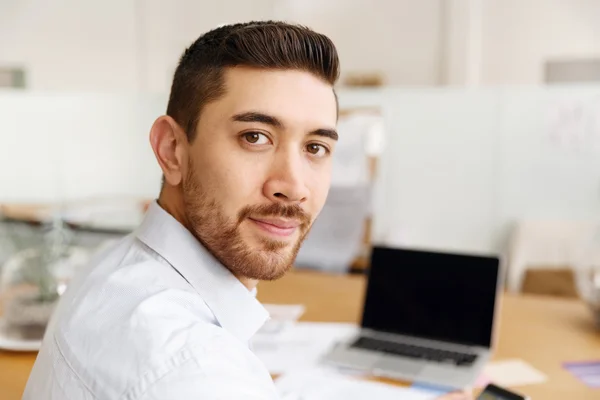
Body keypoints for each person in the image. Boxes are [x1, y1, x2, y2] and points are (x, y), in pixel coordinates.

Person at [23, 21, 471, 399]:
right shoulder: (193, 370)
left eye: (315, 147)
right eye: (255, 137)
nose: (293, 186)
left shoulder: (115, 267)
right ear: (173, 149)